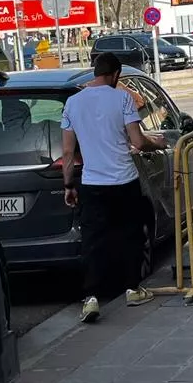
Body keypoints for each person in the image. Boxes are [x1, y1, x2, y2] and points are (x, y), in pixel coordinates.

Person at [60, 51, 168, 322]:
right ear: (116, 74)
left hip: (92, 183)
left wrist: (69, 185)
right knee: (130, 234)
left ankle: (91, 298)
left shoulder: (73, 103)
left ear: (95, 72)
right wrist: (157, 143)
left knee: (93, 241)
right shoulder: (122, 98)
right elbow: (138, 141)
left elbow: (68, 152)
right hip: (124, 180)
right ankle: (132, 289)